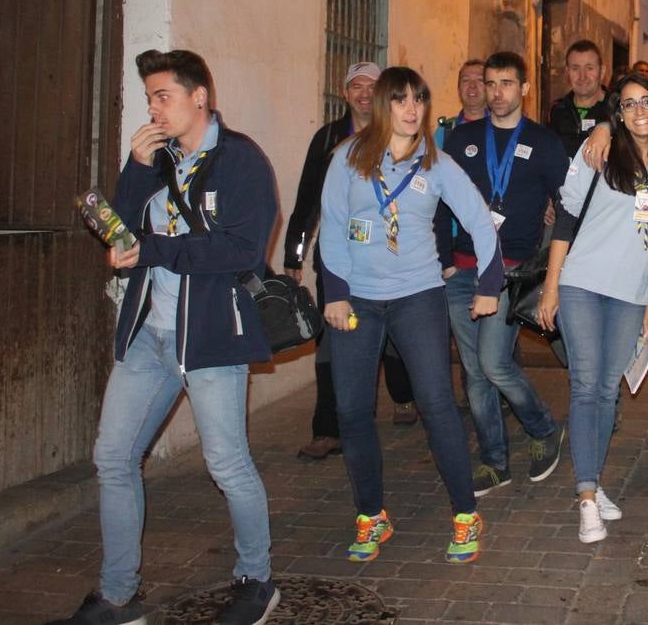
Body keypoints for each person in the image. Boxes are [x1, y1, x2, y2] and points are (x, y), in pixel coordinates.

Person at [50, 50, 279, 625]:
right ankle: (118, 596)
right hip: (151, 335)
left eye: (162, 96)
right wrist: (133, 168)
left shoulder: (242, 161)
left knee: (226, 463)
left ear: (199, 96)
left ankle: (257, 580)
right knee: (113, 456)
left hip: (209, 338)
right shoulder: (156, 158)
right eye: (150, 97)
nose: (152, 107)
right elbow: (126, 232)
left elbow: (240, 249)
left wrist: (153, 249)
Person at [318, 66, 499, 564]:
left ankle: (465, 514)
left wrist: (489, 283)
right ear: (382, 105)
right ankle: (371, 514)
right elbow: (332, 227)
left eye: (418, 98)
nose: (411, 108)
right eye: (400, 99)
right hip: (356, 298)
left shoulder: (435, 163)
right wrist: (334, 292)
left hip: (418, 294)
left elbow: (479, 218)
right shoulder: (347, 160)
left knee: (436, 403)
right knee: (352, 410)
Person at [537, 73, 648, 542]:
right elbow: (567, 218)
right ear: (617, 111)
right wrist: (551, 287)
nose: (639, 112)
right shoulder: (599, 150)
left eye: (647, 101)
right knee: (587, 385)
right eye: (628, 104)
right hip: (583, 284)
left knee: (610, 391)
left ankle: (594, 480)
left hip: (630, 293)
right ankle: (587, 496)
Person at [438, 51, 568, 496]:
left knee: (494, 363)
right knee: (474, 372)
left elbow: (568, 206)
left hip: (510, 271)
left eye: (506, 83)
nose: (496, 93)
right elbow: (440, 199)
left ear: (525, 89)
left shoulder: (546, 143)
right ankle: (494, 460)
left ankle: (544, 428)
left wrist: (553, 266)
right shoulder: (461, 138)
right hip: (461, 270)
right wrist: (444, 257)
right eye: (490, 84)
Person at [285, 62, 419, 463]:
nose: (363, 93)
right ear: (345, 94)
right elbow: (307, 198)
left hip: (391, 255)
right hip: (339, 256)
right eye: (355, 86)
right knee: (332, 338)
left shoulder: (402, 135)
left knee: (394, 330)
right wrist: (294, 253)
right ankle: (327, 428)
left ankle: (403, 394)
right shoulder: (327, 138)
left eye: (372, 86)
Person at [548, 40, 611, 157]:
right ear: (567, 73)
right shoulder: (557, 110)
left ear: (602, 72)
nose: (582, 76)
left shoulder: (616, 109)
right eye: (575, 68)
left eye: (589, 68)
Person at [439, 58, 488, 148]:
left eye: (480, 80)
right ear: (458, 90)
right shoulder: (446, 129)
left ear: (489, 89)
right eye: (466, 80)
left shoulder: (500, 127)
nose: (472, 85)